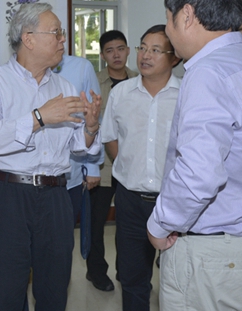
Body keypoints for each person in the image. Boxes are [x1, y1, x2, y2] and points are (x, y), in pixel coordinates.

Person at [0, 2, 102, 311]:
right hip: (7, 194)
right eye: (55, 32)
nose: (63, 39)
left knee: (54, 286)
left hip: (56, 195)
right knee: (4, 289)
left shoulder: (65, 86)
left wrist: (91, 127)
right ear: (28, 38)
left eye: (62, 33)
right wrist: (39, 117)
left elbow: (77, 146)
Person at [147, 0, 242, 311]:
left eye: (168, 20)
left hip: (210, 254)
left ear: (186, 15)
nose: (168, 31)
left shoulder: (207, 71)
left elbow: (199, 173)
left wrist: (161, 223)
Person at [102, 25, 181, 311]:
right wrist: (128, 166)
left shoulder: (186, 94)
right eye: (142, 48)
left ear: (174, 57)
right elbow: (110, 137)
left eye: (155, 50)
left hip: (174, 201)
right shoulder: (121, 93)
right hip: (130, 201)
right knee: (133, 278)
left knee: (177, 279)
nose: (145, 56)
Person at [87, 30, 138, 291]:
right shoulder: (94, 83)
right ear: (102, 55)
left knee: (129, 225)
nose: (116, 55)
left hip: (133, 166)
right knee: (96, 224)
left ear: (128, 50)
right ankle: (96, 272)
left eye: (120, 49)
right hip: (103, 167)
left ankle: (125, 270)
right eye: (109, 50)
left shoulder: (141, 80)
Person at [53, 55, 103, 225]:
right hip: (32, 178)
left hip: (71, 171)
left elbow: (94, 117)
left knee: (64, 232)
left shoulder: (81, 67)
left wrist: (92, 166)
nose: (60, 42)